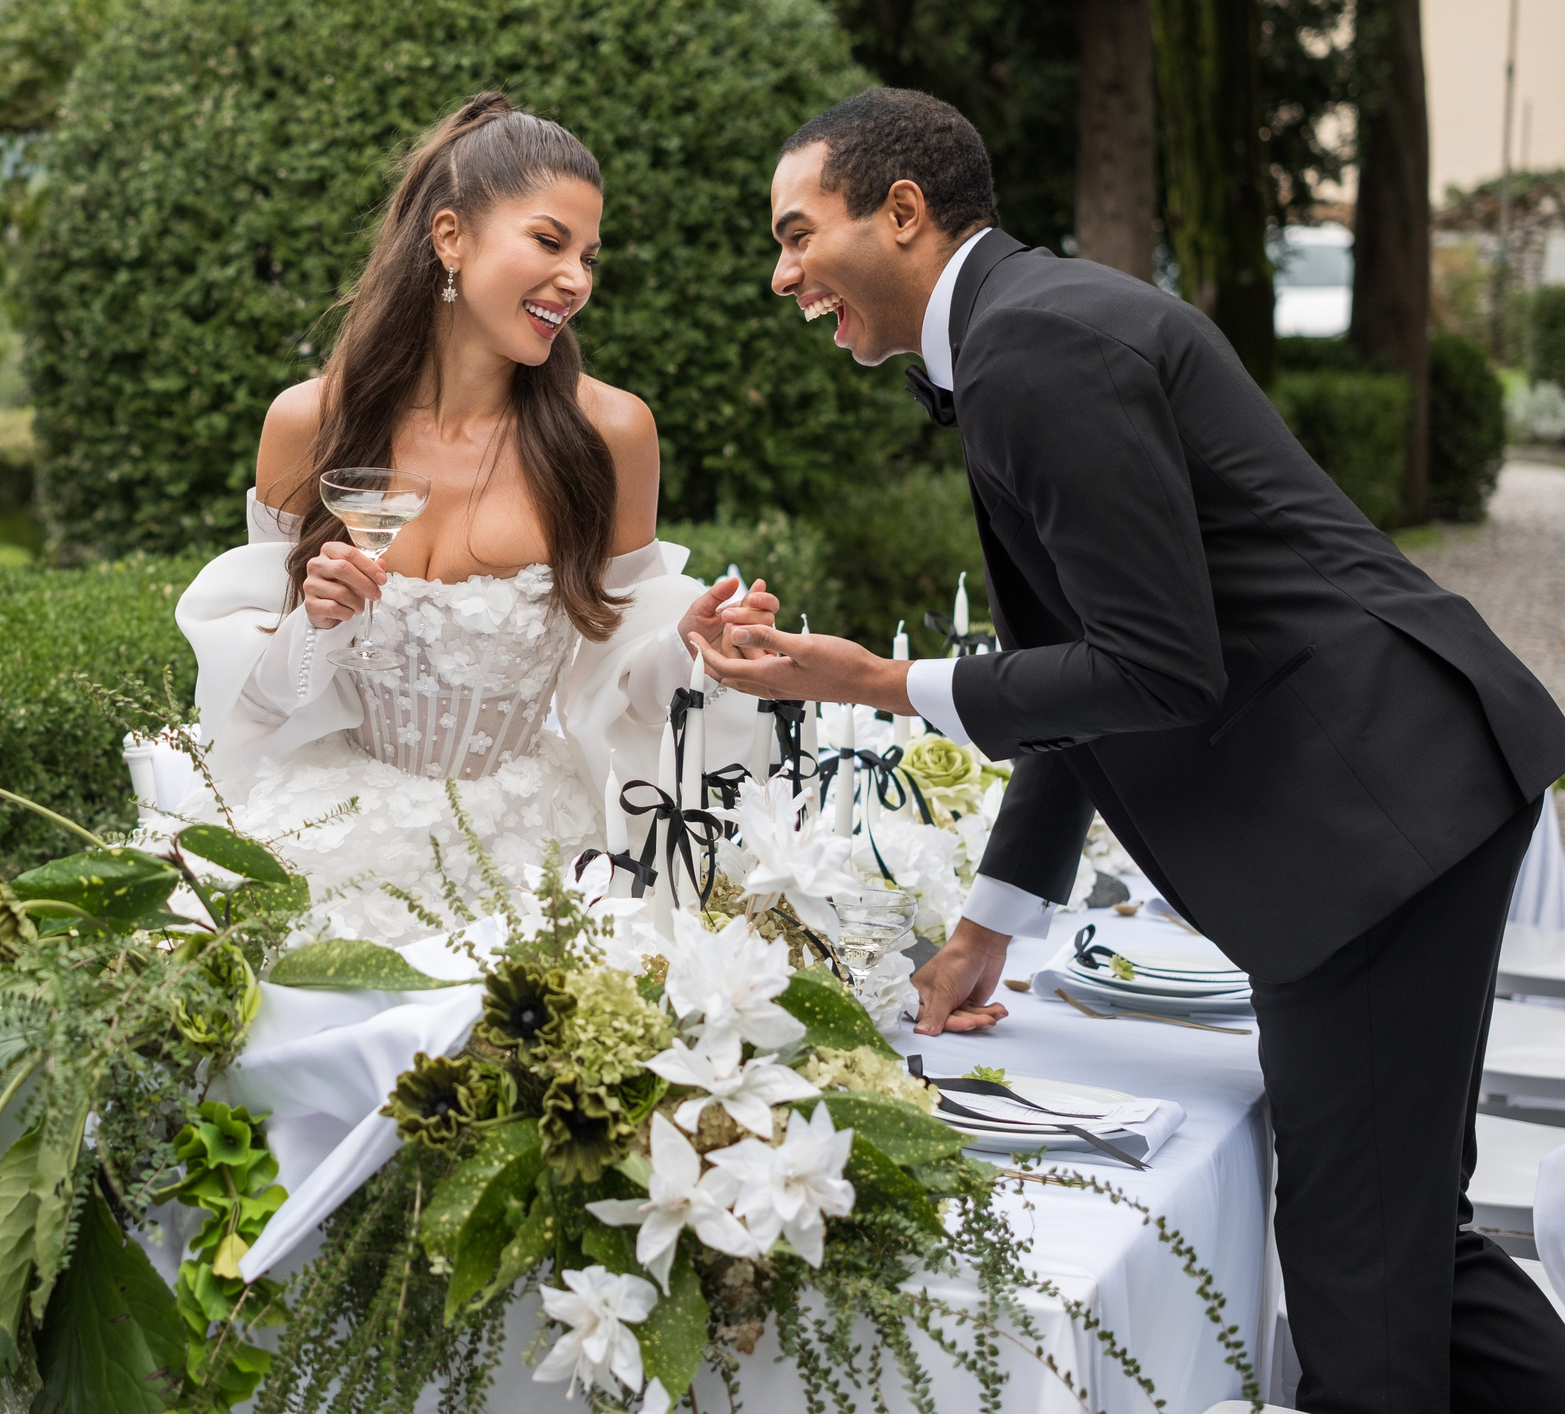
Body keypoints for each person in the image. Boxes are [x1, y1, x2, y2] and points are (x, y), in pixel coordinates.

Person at [698, 85, 1565, 1413]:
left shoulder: (1034, 346)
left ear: (906, 211)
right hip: (1409, 779)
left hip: (1373, 811)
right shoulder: (1031, 324)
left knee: (1356, 1280)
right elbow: (1096, 664)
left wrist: (882, 680)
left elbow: (1156, 668)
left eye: (798, 231)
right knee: (1404, 1248)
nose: (782, 274)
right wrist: (992, 921)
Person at [173, 93, 774, 942]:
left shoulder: (612, 434)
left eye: (590, 256)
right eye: (549, 240)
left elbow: (618, 686)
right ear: (450, 237)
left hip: (534, 859)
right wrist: (316, 622)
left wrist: (690, 642)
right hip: (332, 838)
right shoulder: (309, 424)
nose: (577, 279)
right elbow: (256, 703)